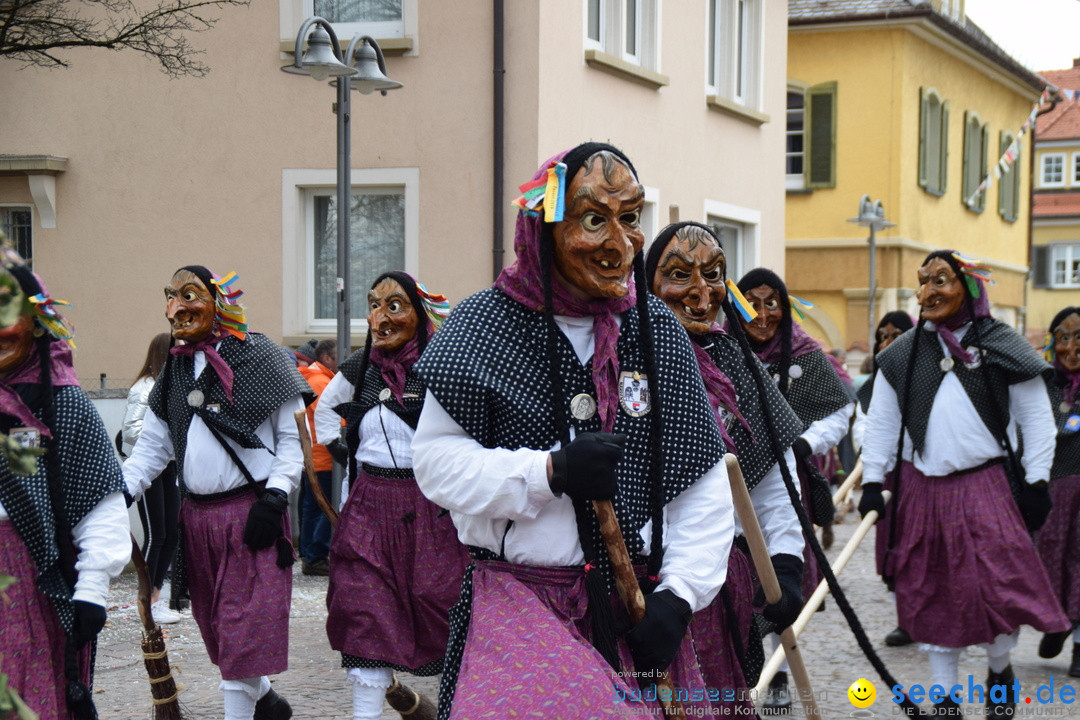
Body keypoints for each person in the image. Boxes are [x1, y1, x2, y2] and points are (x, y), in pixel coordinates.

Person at [412, 143, 734, 718]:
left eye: (630, 217)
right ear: (546, 224)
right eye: (593, 220)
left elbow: (700, 480)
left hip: (632, 607)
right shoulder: (484, 324)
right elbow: (436, 462)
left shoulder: (655, 330)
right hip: (521, 602)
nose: (619, 243)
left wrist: (679, 597)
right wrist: (548, 472)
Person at [858, 250, 1069, 717]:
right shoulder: (903, 353)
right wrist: (872, 480)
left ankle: (999, 669)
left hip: (987, 487)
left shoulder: (1001, 345)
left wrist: (1037, 480)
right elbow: (881, 422)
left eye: (940, 281)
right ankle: (946, 697)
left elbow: (1037, 418)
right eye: (922, 283)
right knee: (929, 590)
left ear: (969, 288)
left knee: (995, 588)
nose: (927, 293)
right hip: (922, 488)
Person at [122, 266, 309, 720]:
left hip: (251, 516)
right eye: (171, 296)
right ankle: (265, 700)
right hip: (198, 521)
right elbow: (152, 448)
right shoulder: (174, 371)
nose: (176, 308)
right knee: (221, 632)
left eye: (189, 295)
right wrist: (118, 494)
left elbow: (292, 439)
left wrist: (276, 496)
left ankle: (247, 707)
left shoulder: (260, 355)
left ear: (218, 302)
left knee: (240, 632)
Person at [645, 221, 804, 712]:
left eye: (714, 274)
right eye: (679, 274)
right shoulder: (620, 356)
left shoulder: (738, 364)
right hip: (632, 582)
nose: (700, 292)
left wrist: (787, 562)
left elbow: (773, 479)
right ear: (646, 283)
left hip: (714, 580)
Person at [311, 271, 466, 720]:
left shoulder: (440, 365)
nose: (380, 317)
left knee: (440, 605)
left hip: (430, 507)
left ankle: (454, 705)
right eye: (373, 305)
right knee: (363, 607)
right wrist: (340, 448)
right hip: (368, 504)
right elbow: (322, 415)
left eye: (393, 306)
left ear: (418, 314)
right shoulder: (359, 368)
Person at [0, 246, 129, 720]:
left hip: (28, 581)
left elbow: (100, 500)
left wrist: (93, 590)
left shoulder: (62, 405)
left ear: (36, 322)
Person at [734, 267, 853, 712]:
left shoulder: (805, 353)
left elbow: (839, 414)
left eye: (772, 303)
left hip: (785, 483)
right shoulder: (722, 351)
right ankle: (745, 669)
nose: (762, 314)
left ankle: (781, 671)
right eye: (752, 302)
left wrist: (805, 441)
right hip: (729, 486)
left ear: (784, 307)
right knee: (739, 583)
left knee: (780, 585)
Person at [851, 310, 915, 648]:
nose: (886, 343)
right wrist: (873, 454)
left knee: (921, 551)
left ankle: (926, 616)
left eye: (896, 336)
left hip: (919, 477)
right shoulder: (875, 384)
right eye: (882, 336)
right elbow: (866, 426)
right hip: (887, 476)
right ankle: (905, 620)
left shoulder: (923, 376)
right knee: (892, 551)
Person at [122, 331, 183, 624]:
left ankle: (158, 596)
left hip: (168, 467)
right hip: (148, 468)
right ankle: (146, 599)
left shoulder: (170, 386)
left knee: (171, 532)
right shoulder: (144, 388)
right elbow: (130, 429)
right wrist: (167, 438)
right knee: (156, 535)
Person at [1035, 306, 1080, 678]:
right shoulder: (1045, 383)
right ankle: (1057, 622)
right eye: (1063, 337)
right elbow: (1044, 429)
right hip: (1056, 487)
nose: (1072, 347)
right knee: (1050, 556)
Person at [297, 338, 337, 577]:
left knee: (311, 507)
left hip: (311, 455)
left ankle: (307, 553)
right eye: (337, 356)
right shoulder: (322, 382)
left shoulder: (310, 379)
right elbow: (331, 418)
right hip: (324, 454)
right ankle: (315, 555)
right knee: (326, 506)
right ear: (327, 359)